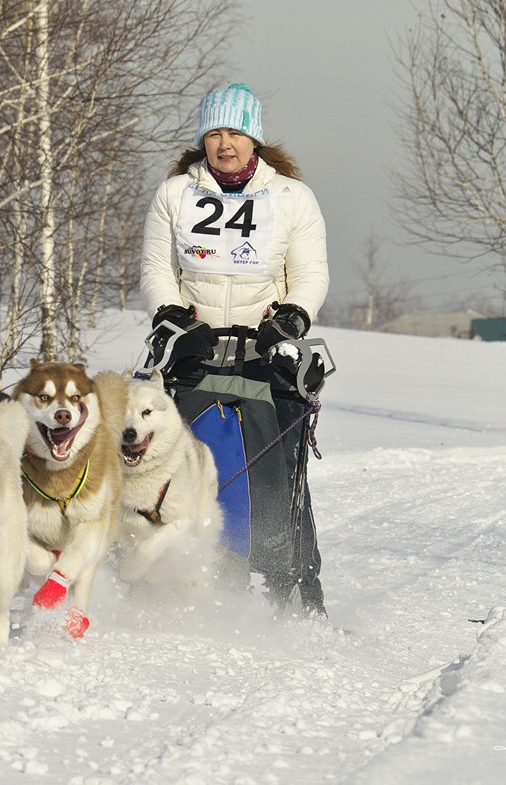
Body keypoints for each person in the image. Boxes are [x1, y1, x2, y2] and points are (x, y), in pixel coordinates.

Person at [140, 82, 330, 616]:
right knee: (172, 466)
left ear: (256, 140)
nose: (226, 144)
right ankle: (167, 582)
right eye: (216, 133)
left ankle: (286, 587)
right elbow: (157, 268)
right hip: (194, 352)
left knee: (273, 471)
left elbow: (310, 273)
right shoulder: (175, 194)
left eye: (237, 133)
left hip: (264, 355)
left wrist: (291, 317)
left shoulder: (292, 198)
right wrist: (174, 316)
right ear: (203, 139)